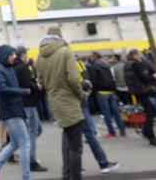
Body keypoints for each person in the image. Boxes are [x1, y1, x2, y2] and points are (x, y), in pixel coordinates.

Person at [37, 26, 118, 179]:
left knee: (68, 139)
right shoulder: (66, 52)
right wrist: (80, 94)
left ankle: (67, 175)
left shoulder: (40, 56)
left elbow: (41, 81)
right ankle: (75, 175)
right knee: (76, 146)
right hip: (70, 100)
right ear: (60, 36)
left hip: (55, 101)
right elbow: (74, 79)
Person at [0, 45, 32, 180]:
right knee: (24, 143)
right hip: (10, 110)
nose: (14, 57)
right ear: (5, 55)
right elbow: (1, 88)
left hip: (14, 109)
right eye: (11, 55)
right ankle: (26, 177)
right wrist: (22, 91)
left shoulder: (8, 67)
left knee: (16, 143)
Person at [13, 46, 48, 172]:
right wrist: (37, 87)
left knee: (35, 130)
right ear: (23, 55)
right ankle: (31, 160)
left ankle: (25, 153)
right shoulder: (23, 67)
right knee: (32, 132)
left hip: (22, 103)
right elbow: (28, 84)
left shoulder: (14, 67)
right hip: (29, 102)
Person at [124, 49, 156, 147]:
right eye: (140, 54)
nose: (141, 55)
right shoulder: (136, 64)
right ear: (135, 55)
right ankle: (151, 137)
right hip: (142, 90)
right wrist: (153, 76)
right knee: (150, 113)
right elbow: (143, 77)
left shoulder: (128, 64)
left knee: (151, 111)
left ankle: (146, 131)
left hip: (137, 90)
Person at [88, 51, 126, 137]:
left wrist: (94, 90)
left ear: (94, 57)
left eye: (91, 57)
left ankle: (111, 132)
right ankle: (122, 130)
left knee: (106, 113)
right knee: (116, 112)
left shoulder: (94, 66)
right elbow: (112, 78)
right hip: (111, 91)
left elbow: (93, 80)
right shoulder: (107, 65)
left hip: (101, 92)